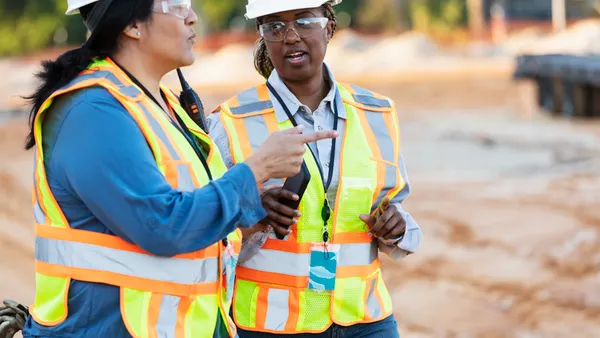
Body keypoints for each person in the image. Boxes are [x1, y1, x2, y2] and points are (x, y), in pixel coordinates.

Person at [13, 0, 337, 337]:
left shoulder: (162, 105)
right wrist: (256, 169)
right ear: (131, 24)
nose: (192, 16)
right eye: (177, 4)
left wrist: (248, 214)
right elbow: (161, 225)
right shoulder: (92, 111)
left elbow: (187, 216)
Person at [207, 0, 423, 337]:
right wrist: (252, 214)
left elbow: (394, 212)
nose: (290, 36)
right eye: (275, 26)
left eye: (305, 21)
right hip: (271, 323)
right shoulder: (230, 122)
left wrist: (395, 226)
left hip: (364, 318)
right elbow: (205, 229)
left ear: (330, 27)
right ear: (263, 37)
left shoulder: (375, 113)